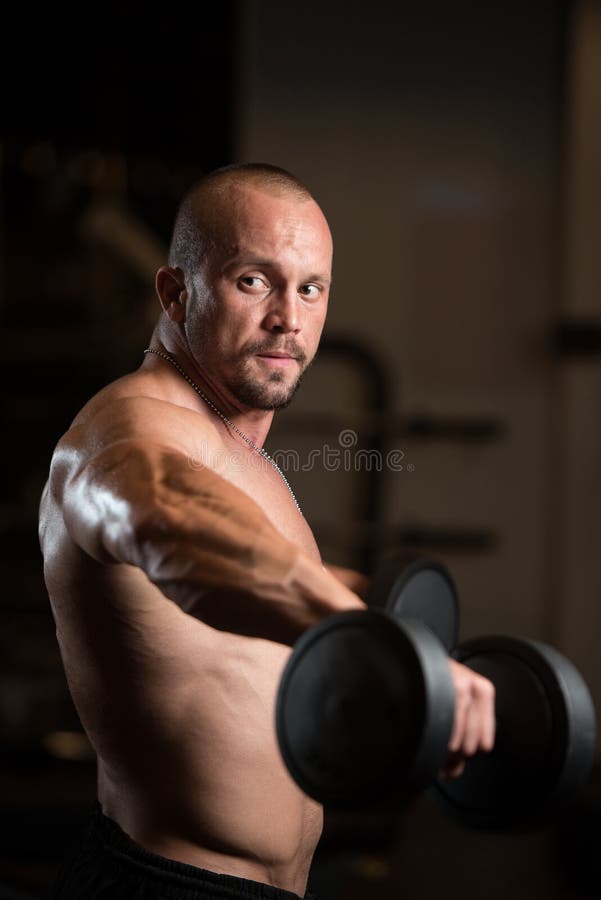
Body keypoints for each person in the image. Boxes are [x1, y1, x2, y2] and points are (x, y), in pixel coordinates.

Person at [39, 163, 495, 900]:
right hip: (164, 887)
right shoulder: (127, 428)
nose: (289, 315)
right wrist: (372, 639)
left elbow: (243, 608)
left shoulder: (243, 458)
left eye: (310, 288)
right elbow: (168, 521)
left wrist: (400, 637)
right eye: (254, 281)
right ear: (174, 291)